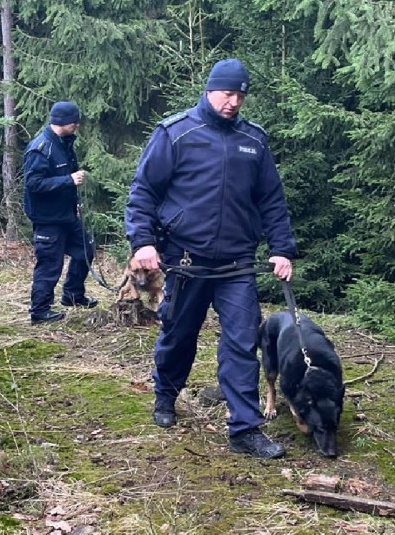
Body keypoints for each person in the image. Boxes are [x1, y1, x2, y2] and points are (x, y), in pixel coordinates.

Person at [125, 59, 297, 459]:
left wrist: (281, 248)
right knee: (178, 334)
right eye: (226, 93)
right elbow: (144, 191)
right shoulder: (177, 133)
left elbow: (271, 199)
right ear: (209, 90)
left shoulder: (253, 140)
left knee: (241, 343)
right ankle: (166, 395)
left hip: (237, 262)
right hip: (186, 260)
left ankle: (245, 429)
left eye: (240, 95)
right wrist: (143, 242)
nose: (233, 101)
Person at [23, 101, 98, 323]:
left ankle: (73, 295)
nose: (77, 125)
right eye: (75, 122)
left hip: (66, 215)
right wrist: (68, 180)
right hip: (47, 219)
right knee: (49, 264)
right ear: (64, 122)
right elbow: (34, 184)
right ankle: (39, 311)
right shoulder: (40, 148)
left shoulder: (64, 144)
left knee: (85, 250)